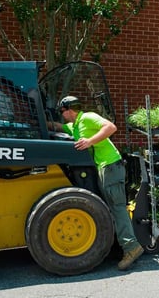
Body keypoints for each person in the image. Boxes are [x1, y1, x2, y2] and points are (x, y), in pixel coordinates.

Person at [55, 96, 143, 271]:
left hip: (110, 166)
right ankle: (122, 246)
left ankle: (131, 247)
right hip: (105, 168)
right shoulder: (77, 125)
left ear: (68, 110)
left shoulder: (87, 117)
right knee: (111, 207)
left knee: (117, 207)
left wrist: (90, 141)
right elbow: (58, 127)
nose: (61, 116)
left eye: (61, 112)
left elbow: (111, 127)